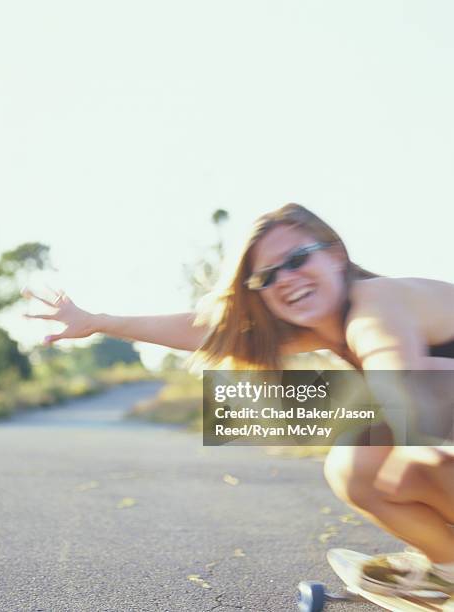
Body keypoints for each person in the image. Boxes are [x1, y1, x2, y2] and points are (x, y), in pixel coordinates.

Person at [23, 203, 454, 595]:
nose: (287, 279)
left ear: (336, 254)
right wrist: (98, 322)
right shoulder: (317, 327)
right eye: (267, 277)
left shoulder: (376, 306)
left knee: (400, 432)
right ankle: (448, 567)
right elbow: (206, 330)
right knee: (354, 463)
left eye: (298, 259)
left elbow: (392, 365)